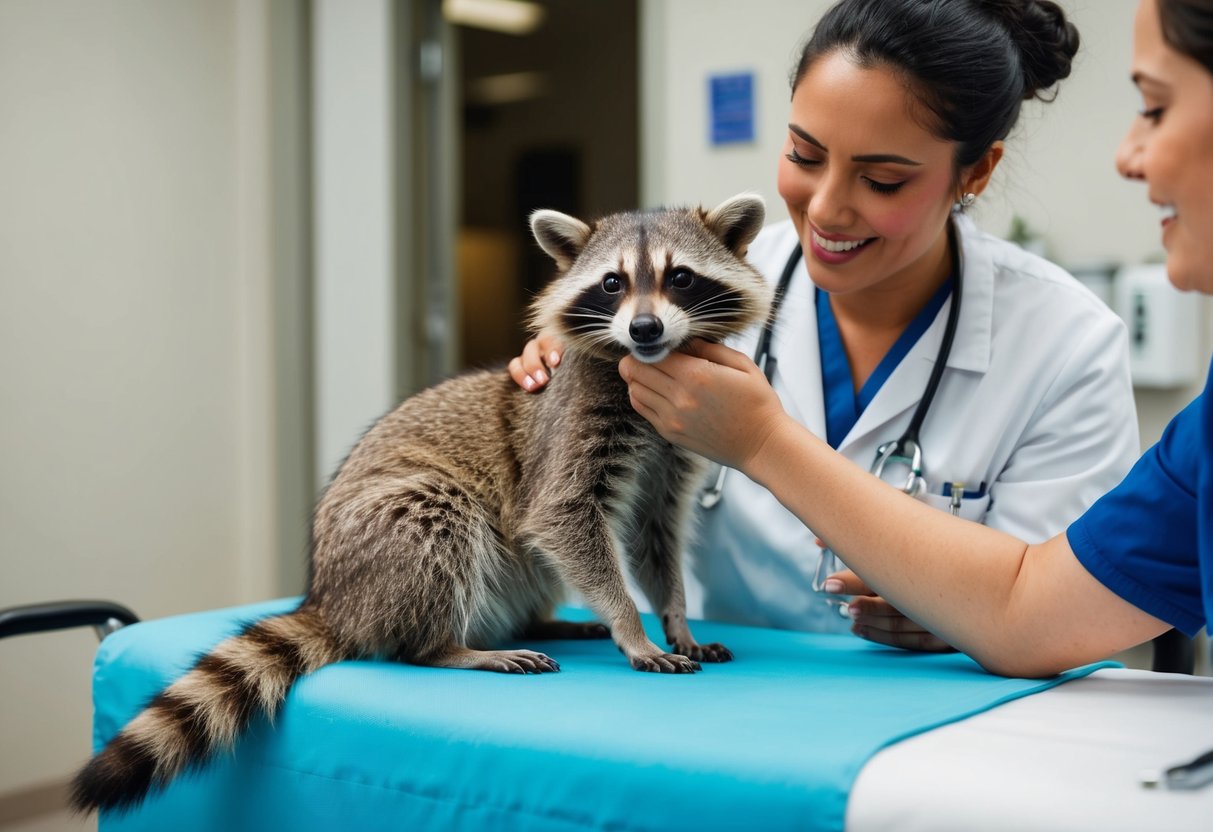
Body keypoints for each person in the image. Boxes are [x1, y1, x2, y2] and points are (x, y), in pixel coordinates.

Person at [512, 0, 1140, 647]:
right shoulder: (698, 284)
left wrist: (966, 611)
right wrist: (566, 371)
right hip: (719, 686)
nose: (827, 208)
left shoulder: (1068, 346)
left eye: (882, 180)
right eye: (803, 155)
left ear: (974, 172)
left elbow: (1062, 610)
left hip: (958, 715)